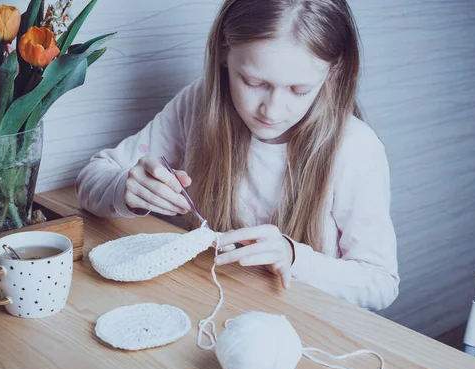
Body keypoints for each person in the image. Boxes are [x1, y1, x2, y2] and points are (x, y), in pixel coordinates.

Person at [76, 0, 399, 311]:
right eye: (253, 82)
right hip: (210, 309)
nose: (272, 111)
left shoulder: (355, 148)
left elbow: (381, 284)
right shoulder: (198, 104)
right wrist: (125, 190)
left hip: (308, 334)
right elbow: (91, 179)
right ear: (223, 54)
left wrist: (294, 257)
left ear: (333, 71)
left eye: (299, 90)